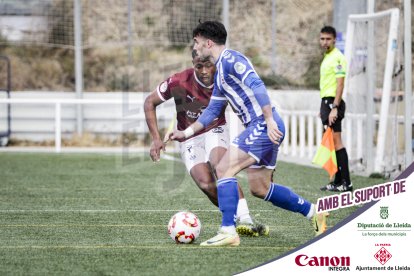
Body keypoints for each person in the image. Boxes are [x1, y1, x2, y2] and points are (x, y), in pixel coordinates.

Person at [170, 21, 328, 247]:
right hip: (262, 126)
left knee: (224, 167)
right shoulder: (220, 72)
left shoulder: (232, 59)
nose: (194, 47)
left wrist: (269, 120)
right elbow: (213, 111)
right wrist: (185, 133)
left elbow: (257, 84)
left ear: (208, 42)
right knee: (260, 188)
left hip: (262, 125)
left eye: (196, 42)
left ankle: (228, 231)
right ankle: (315, 213)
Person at [144, 50, 268, 237]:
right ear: (193, 64)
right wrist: (155, 139)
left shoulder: (224, 80)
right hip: (188, 136)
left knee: (220, 165)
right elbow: (149, 102)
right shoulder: (178, 82)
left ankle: (246, 219)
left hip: (214, 129)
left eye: (208, 65)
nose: (203, 70)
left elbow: (245, 107)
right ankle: (231, 216)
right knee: (205, 183)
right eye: (198, 66)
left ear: (215, 63)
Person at [318, 26, 353, 192]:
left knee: (337, 142)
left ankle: (346, 182)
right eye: (322, 39)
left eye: (328, 39)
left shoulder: (338, 57)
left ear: (334, 40)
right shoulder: (327, 57)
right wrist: (323, 107)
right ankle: (337, 181)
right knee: (331, 143)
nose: (325, 42)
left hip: (333, 103)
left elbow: (340, 84)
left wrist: (334, 108)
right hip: (326, 103)